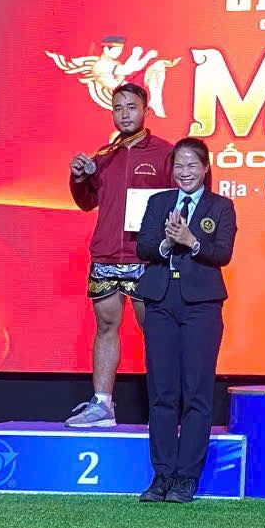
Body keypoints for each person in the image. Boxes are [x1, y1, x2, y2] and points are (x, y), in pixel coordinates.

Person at [66, 81, 174, 428]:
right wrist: (78, 177)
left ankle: (165, 408)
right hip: (106, 255)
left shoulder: (165, 153)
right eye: (118, 108)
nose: (124, 114)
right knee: (106, 327)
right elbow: (86, 203)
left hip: (147, 258)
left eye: (131, 107)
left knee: (154, 332)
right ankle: (102, 406)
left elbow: (182, 203)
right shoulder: (103, 156)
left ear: (146, 111)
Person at [135, 138, 237, 504]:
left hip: (201, 306)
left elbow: (223, 253)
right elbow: (143, 247)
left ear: (206, 168)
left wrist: (192, 241)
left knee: (196, 392)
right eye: (179, 165)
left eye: (192, 165)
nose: (185, 172)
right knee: (162, 391)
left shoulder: (220, 206)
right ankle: (161, 474)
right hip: (161, 301)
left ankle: (186, 477)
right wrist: (166, 243)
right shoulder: (158, 202)